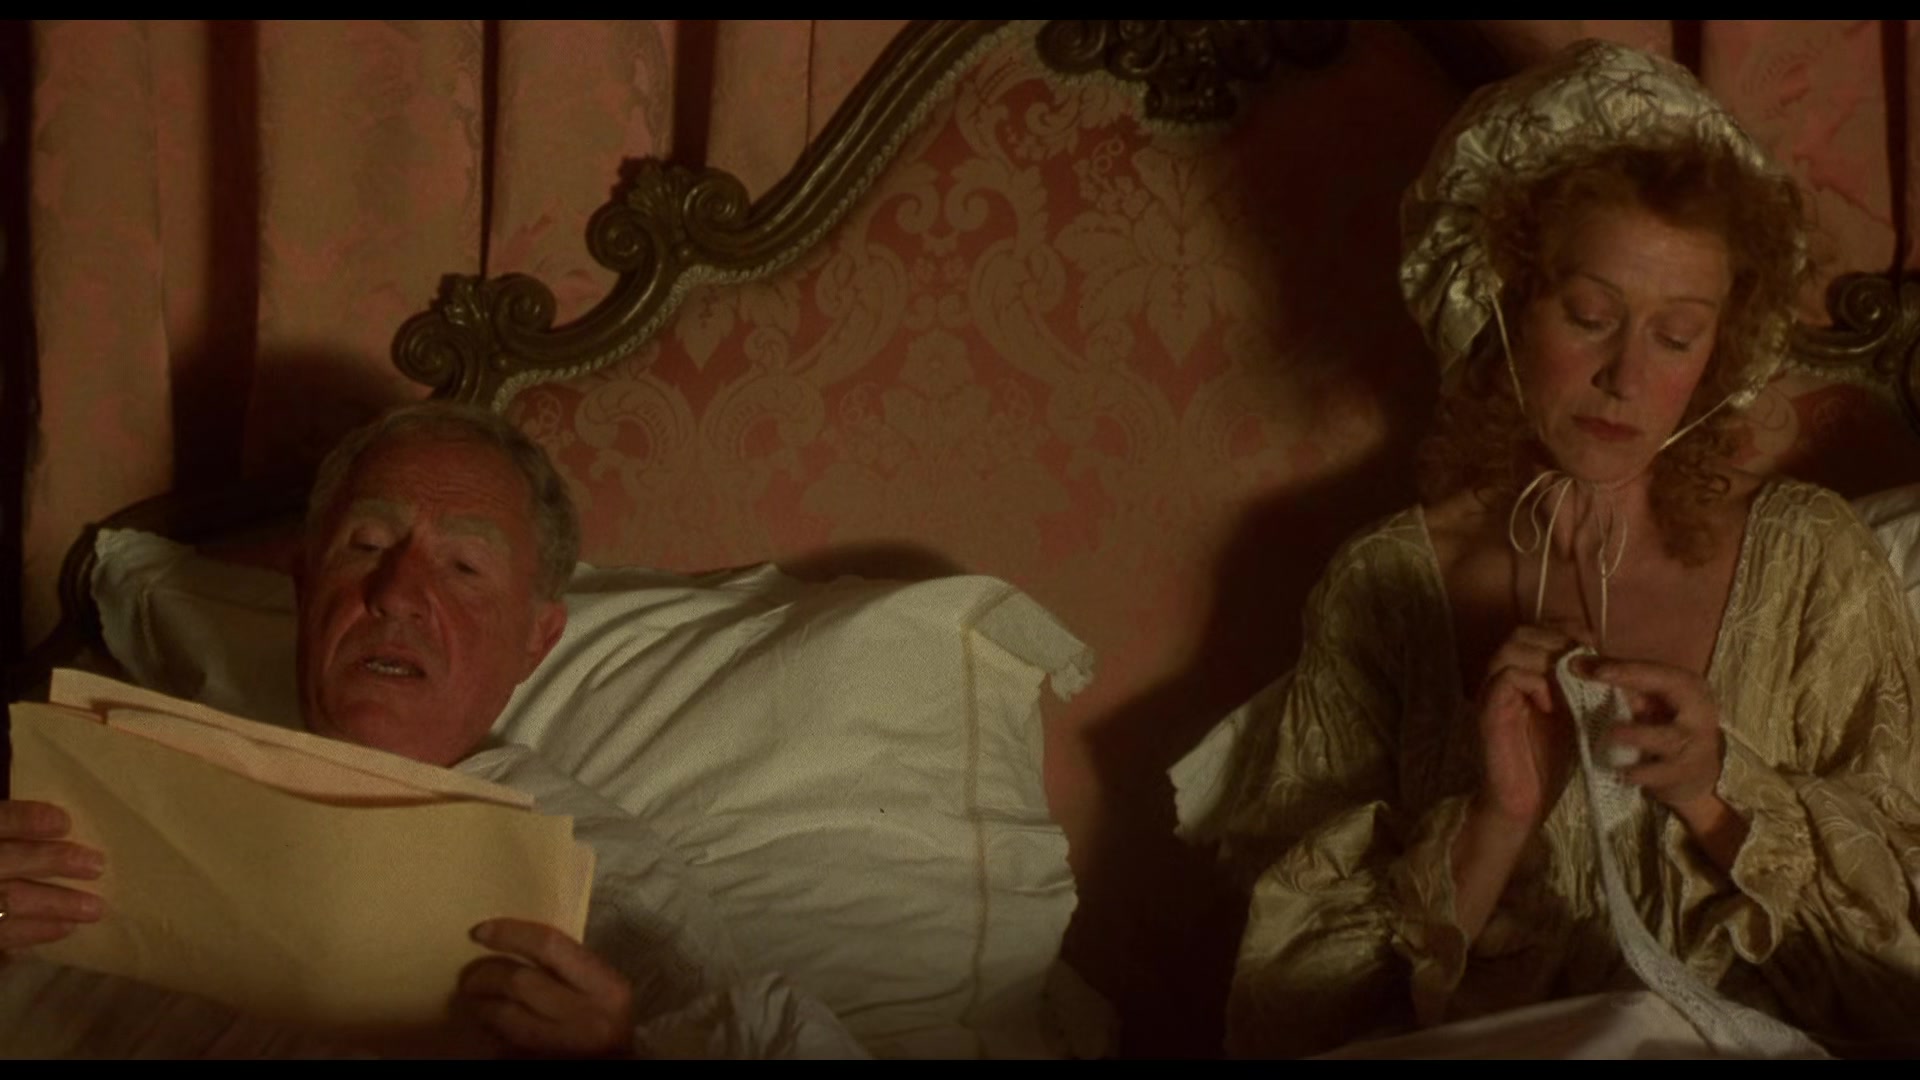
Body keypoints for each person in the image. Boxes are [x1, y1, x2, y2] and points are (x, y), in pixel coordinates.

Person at [1221, 41, 1920, 1058]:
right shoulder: (1384, 584)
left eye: (1675, 337)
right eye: (1590, 316)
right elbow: (1294, 1010)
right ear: (1503, 296)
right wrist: (1498, 818)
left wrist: (1715, 791)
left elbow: (1901, 949)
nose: (1624, 378)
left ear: (1719, 352)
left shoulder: (1810, 558)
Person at [0, 401, 866, 1059]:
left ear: (536, 640)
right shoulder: (119, 777)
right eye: (367, 545)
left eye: (463, 566)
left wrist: (620, 1055)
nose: (398, 595)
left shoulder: (611, 881)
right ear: (305, 588)